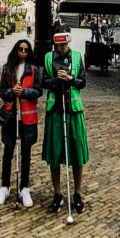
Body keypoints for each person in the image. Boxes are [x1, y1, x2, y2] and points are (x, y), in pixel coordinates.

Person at [41, 30, 89, 214]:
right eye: (58, 46)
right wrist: (55, 80)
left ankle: (77, 193)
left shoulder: (77, 57)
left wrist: (71, 79)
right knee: (55, 151)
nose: (61, 49)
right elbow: (43, 82)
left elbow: (82, 82)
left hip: (73, 109)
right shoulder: (47, 58)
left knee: (77, 149)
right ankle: (57, 193)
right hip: (55, 109)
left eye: (64, 45)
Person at [0, 39, 42, 208]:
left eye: (26, 50)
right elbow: (2, 92)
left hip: (27, 118)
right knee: (8, 152)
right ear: (16, 50)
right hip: (10, 116)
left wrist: (24, 92)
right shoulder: (7, 69)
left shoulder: (34, 70)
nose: (23, 52)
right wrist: (11, 91)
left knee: (26, 154)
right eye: (20, 49)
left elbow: (38, 91)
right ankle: (5, 186)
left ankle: (24, 188)